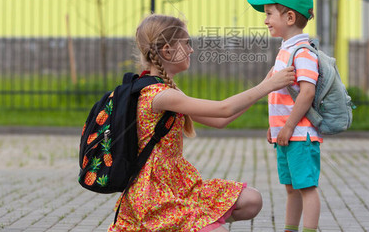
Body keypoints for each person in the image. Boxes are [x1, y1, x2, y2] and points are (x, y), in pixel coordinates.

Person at [108, 14, 295, 232]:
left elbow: (220, 120)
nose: (191, 50)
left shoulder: (169, 89)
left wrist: (265, 84)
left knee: (252, 200)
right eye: (186, 43)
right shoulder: (158, 95)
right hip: (153, 197)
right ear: (167, 50)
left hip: (178, 186)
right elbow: (223, 108)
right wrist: (268, 86)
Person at [247, 0, 321, 232]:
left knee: (306, 188)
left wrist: (288, 126)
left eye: (269, 13)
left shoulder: (303, 52)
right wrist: (276, 127)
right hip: (287, 134)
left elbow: (307, 92)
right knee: (292, 189)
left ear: (289, 17)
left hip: (300, 135)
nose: (266, 20)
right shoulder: (285, 51)